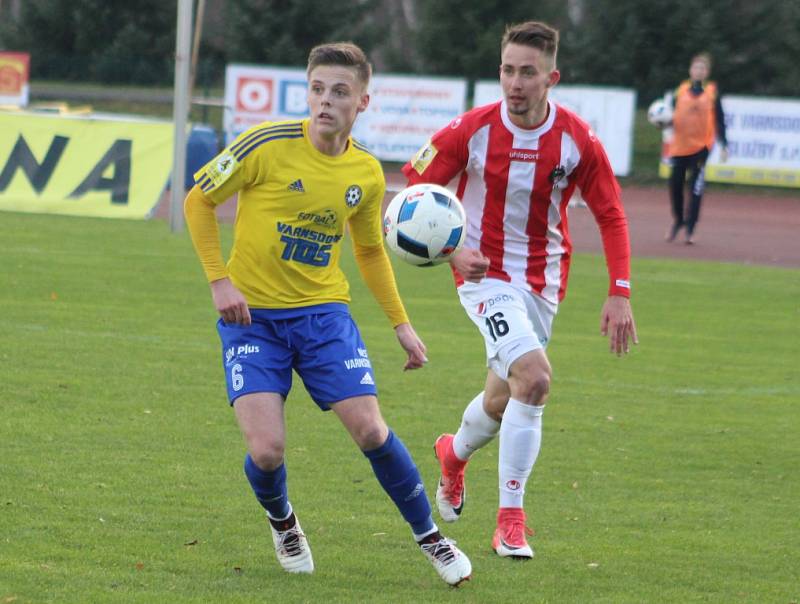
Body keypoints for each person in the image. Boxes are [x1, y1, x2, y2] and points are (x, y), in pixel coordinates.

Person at [183, 42, 471, 586]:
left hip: (323, 318)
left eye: (340, 92)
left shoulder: (365, 171)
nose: (325, 101)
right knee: (266, 452)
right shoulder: (264, 145)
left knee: (370, 429)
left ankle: (431, 536)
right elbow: (198, 200)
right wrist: (219, 280)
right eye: (317, 89)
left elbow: (367, 250)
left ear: (363, 101)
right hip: (253, 321)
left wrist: (401, 324)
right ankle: (283, 521)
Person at [402, 21, 638, 560]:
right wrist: (451, 250)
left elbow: (612, 215)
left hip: (543, 282)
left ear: (551, 77)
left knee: (503, 394)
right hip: (483, 278)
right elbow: (412, 195)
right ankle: (510, 520)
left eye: (527, 72)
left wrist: (619, 290)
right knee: (534, 379)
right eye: (507, 70)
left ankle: (452, 454)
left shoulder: (578, 140)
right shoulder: (470, 129)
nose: (514, 82)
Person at [665, 52, 728, 244]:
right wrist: (663, 123)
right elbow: (669, 116)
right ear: (690, 70)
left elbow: (720, 119)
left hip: (701, 148)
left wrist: (724, 144)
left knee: (695, 189)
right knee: (675, 186)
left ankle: (690, 229)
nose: (698, 71)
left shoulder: (712, 92)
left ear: (707, 72)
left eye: (702, 68)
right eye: (695, 67)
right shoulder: (680, 91)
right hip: (679, 147)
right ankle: (678, 220)